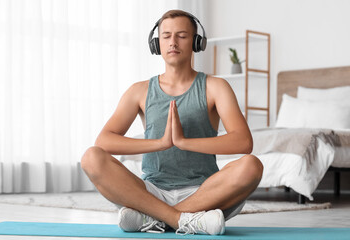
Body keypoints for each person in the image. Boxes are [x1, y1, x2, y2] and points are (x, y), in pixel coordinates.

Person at [81, 9, 263, 235]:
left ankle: (153, 218)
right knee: (91, 157)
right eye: (166, 36)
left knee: (251, 166)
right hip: (151, 191)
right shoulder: (139, 91)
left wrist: (184, 142)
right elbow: (105, 141)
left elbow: (243, 142)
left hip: (204, 193)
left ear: (196, 42)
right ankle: (186, 220)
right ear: (156, 44)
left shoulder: (216, 87)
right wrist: (161, 143)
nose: (173, 42)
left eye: (182, 36)